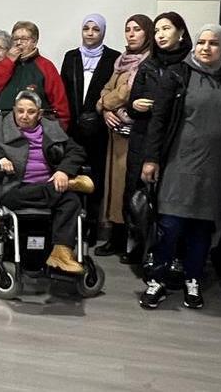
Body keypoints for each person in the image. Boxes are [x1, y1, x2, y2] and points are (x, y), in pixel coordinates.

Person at [139, 24, 221, 311]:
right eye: (201, 42)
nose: (206, 48)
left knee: (201, 229)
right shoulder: (178, 75)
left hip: (216, 170)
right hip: (178, 165)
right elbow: (158, 120)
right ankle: (157, 278)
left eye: (214, 44)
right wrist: (151, 159)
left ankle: (193, 279)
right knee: (170, 226)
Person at [0, 91, 91, 274]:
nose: (24, 116)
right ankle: (68, 185)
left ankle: (61, 253)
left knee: (72, 202)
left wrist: (63, 170)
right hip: (12, 188)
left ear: (40, 114)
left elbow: (77, 151)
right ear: (14, 110)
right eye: (20, 111)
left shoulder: (52, 126)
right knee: (65, 193)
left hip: (46, 185)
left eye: (31, 112)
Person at [122, 12, 192, 267]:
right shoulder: (148, 65)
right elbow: (130, 105)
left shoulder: (189, 66)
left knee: (169, 199)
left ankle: (172, 255)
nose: (160, 35)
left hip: (174, 141)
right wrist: (135, 106)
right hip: (141, 137)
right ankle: (141, 249)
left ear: (181, 32)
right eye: (158, 30)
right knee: (137, 196)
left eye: (167, 29)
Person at [93, 14, 154, 259]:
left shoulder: (147, 63)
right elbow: (108, 89)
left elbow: (125, 92)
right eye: (127, 29)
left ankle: (134, 244)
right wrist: (106, 107)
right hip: (115, 135)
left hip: (134, 136)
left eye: (137, 29)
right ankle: (116, 238)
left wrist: (104, 104)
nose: (131, 33)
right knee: (114, 189)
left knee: (130, 189)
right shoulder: (122, 61)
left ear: (147, 33)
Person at [60, 14, 120, 241]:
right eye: (86, 28)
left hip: (99, 129)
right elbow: (64, 89)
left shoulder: (114, 58)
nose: (90, 33)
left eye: (95, 29)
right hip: (72, 129)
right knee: (71, 176)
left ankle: (92, 228)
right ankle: (70, 228)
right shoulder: (71, 57)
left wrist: (99, 112)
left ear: (103, 32)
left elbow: (112, 91)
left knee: (96, 178)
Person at [0, 21, 70, 129]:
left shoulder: (45, 66)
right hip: (5, 129)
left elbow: (60, 104)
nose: (19, 43)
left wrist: (59, 131)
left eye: (24, 39)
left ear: (34, 42)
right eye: (15, 39)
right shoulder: (6, 63)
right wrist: (8, 61)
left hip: (37, 131)